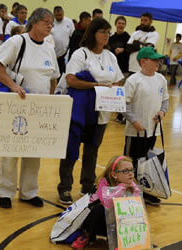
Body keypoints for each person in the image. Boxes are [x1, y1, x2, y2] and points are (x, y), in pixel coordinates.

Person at [0, 7, 60, 208]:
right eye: (46, 22)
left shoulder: (49, 47)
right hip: (16, 105)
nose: (49, 26)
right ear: (34, 22)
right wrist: (13, 86)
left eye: (51, 23)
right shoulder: (17, 41)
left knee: (34, 151)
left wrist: (50, 99)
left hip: (39, 108)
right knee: (11, 151)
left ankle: (29, 192)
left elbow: (53, 77)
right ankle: (5, 192)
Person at [56, 18, 124, 204]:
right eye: (103, 32)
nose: (106, 35)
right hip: (80, 111)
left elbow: (118, 79)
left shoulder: (110, 56)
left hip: (101, 113)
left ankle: (87, 185)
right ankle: (64, 187)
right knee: (71, 150)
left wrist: (112, 89)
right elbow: (71, 80)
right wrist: (97, 85)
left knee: (92, 151)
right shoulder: (81, 54)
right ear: (93, 33)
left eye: (108, 32)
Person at [123, 46, 169, 206]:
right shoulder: (133, 80)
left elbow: (165, 100)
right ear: (143, 62)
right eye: (154, 60)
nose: (158, 62)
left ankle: (146, 191)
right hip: (135, 132)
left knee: (146, 163)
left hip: (152, 131)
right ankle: (128, 191)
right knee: (130, 163)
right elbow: (124, 104)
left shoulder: (161, 79)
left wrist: (162, 112)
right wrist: (134, 120)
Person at [72, 155, 141, 249]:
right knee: (98, 210)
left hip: (115, 222)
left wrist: (134, 191)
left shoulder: (132, 184)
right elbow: (107, 204)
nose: (130, 174)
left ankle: (119, 240)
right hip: (99, 220)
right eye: (125, 171)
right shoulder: (104, 183)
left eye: (132, 170)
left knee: (131, 213)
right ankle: (86, 235)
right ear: (114, 174)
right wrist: (121, 188)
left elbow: (136, 206)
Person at [109, 16, 130, 124]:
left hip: (124, 69)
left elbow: (130, 50)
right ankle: (112, 111)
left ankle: (121, 114)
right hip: (113, 69)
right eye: (119, 23)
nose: (121, 25)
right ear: (115, 24)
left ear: (125, 25)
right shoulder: (111, 38)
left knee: (122, 92)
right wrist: (114, 50)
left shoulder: (128, 38)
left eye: (123, 23)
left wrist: (123, 49)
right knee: (113, 90)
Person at [51, 6, 74, 75]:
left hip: (64, 54)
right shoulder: (50, 22)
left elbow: (72, 36)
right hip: (52, 53)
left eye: (60, 15)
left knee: (62, 73)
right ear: (54, 15)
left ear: (63, 13)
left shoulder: (69, 22)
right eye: (56, 15)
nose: (58, 17)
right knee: (52, 73)